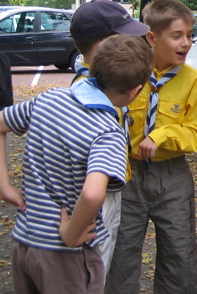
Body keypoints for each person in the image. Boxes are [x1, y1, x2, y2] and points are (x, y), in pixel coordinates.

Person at [0, 35, 154, 294]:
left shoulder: (50, 98)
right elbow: (93, 194)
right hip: (66, 258)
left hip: (25, 242)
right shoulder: (107, 132)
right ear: (135, 91)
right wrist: (71, 233)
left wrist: (4, 186)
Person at [105, 0, 197, 294]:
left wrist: (161, 136)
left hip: (171, 176)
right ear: (152, 38)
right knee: (120, 252)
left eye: (189, 35)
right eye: (176, 36)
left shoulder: (194, 81)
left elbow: (196, 134)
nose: (186, 43)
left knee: (179, 253)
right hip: (127, 174)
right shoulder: (130, 73)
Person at [69, 0, 149, 275]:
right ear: (104, 45)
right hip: (95, 195)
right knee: (92, 270)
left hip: (105, 190)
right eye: (126, 37)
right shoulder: (93, 99)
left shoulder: (95, 85)